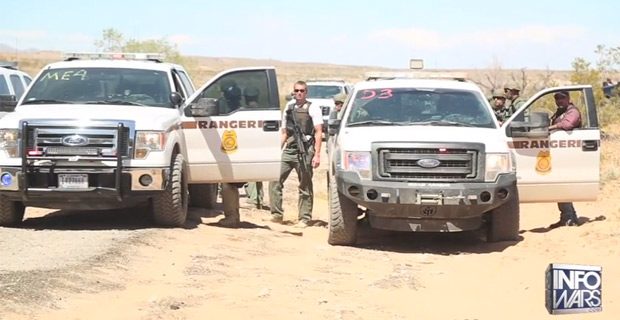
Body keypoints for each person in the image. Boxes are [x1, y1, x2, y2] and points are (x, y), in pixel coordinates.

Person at [267, 80, 323, 228]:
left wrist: (317, 155)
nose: (299, 93)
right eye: (296, 90)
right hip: (290, 148)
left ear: (306, 92)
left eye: (302, 91)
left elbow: (318, 132)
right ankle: (276, 215)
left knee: (305, 184)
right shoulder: (289, 107)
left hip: (305, 149)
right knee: (275, 179)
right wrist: (277, 149)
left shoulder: (313, 108)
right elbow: (284, 131)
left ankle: (304, 218)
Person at [548, 90, 582, 228]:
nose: (559, 100)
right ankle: (569, 217)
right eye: (557, 98)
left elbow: (567, 124)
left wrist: (551, 127)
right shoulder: (559, 112)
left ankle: (568, 218)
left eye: (562, 98)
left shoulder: (572, 112)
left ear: (568, 98)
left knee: (562, 184)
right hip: (560, 152)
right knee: (560, 185)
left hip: (571, 152)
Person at [242, 86, 266, 209]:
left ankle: (252, 200)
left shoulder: (244, 111)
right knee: (258, 174)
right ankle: (259, 199)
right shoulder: (263, 110)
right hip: (260, 144)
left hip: (249, 144)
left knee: (249, 172)